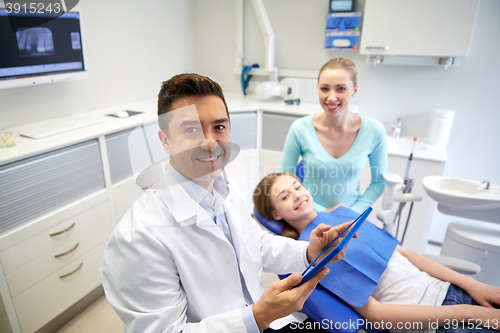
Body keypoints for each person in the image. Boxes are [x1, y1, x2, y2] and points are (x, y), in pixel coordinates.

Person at [99, 73, 355, 333]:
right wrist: (258, 316)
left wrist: (307, 252)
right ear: (165, 141)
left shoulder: (228, 190)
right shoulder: (138, 237)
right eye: (191, 129)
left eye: (219, 127)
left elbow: (255, 244)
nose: (209, 142)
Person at [253, 172, 500, 333]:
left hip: (451, 290)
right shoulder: (308, 254)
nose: (296, 195)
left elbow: (404, 253)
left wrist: (472, 286)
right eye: (285, 196)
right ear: (276, 215)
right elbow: (377, 315)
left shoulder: (343, 211)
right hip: (435, 322)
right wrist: (470, 313)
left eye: (297, 187)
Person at [280, 57, 387, 214]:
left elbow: (379, 182)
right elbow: (285, 179)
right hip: (309, 214)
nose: (331, 97)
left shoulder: (374, 131)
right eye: (324, 89)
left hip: (352, 217)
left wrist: (353, 213)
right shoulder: (299, 128)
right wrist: (323, 212)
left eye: (341, 89)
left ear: (354, 90)